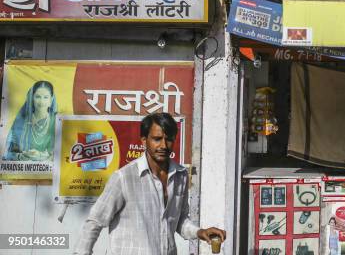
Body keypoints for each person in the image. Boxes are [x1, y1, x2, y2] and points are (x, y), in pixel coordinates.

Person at [74, 112, 226, 255]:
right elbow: (94, 222)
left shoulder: (180, 176)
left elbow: (179, 221)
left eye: (169, 139)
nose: (163, 146)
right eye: (157, 139)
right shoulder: (124, 177)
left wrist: (200, 232)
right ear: (144, 140)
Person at [2, 81, 56, 161]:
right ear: (32, 98)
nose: (41, 101)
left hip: (49, 171)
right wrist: (21, 156)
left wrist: (41, 156)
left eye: (45, 97)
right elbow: (7, 153)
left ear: (51, 100)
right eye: (37, 97)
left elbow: (62, 153)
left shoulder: (56, 121)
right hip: (22, 170)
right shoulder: (21, 121)